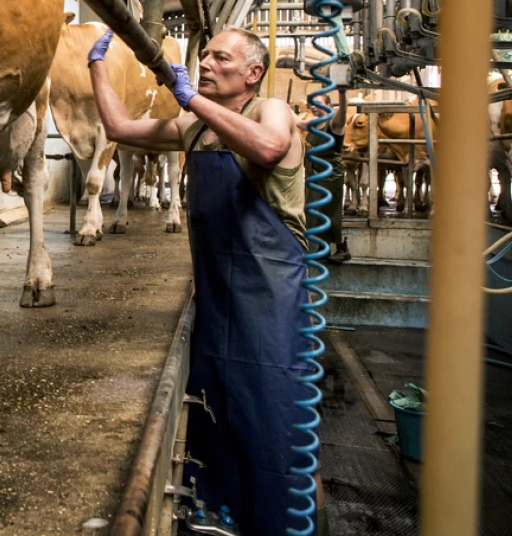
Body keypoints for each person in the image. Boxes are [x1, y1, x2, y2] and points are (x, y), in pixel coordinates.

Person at [89, 26, 328, 536]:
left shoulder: (270, 111)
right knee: (215, 414)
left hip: (272, 300)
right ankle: (217, 520)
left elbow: (268, 148)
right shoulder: (193, 129)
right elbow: (117, 128)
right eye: (205, 56)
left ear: (252, 73)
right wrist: (96, 66)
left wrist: (192, 99)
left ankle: (294, 527)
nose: (206, 63)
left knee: (275, 419)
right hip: (218, 298)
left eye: (221, 58)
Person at [299, 87, 351, 263]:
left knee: (329, 211)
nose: (313, 107)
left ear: (329, 105)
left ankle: (342, 248)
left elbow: (343, 113)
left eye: (318, 103)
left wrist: (343, 94)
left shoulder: (334, 124)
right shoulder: (314, 124)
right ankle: (324, 249)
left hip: (330, 173)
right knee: (313, 210)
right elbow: (297, 123)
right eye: (310, 104)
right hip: (315, 173)